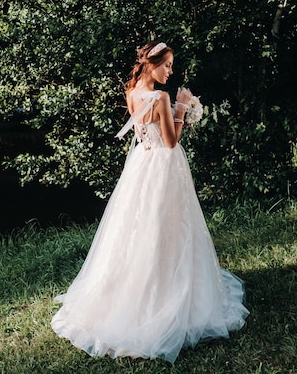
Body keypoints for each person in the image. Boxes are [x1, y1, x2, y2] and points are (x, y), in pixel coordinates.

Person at [51, 41, 249, 363]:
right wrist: (183, 109)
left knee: (139, 228)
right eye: (167, 65)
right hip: (164, 167)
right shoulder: (162, 97)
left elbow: (145, 133)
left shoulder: (132, 93)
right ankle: (165, 293)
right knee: (168, 226)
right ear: (152, 64)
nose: (171, 71)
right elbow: (170, 142)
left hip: (141, 166)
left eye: (171, 66)